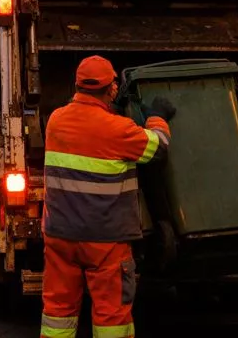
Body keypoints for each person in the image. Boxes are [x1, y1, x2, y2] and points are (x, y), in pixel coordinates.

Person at [40, 56, 175, 338]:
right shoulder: (118, 130)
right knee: (111, 316)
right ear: (111, 89)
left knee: (58, 310)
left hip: (61, 235)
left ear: (77, 85)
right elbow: (158, 148)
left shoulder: (55, 120)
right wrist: (157, 117)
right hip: (105, 240)